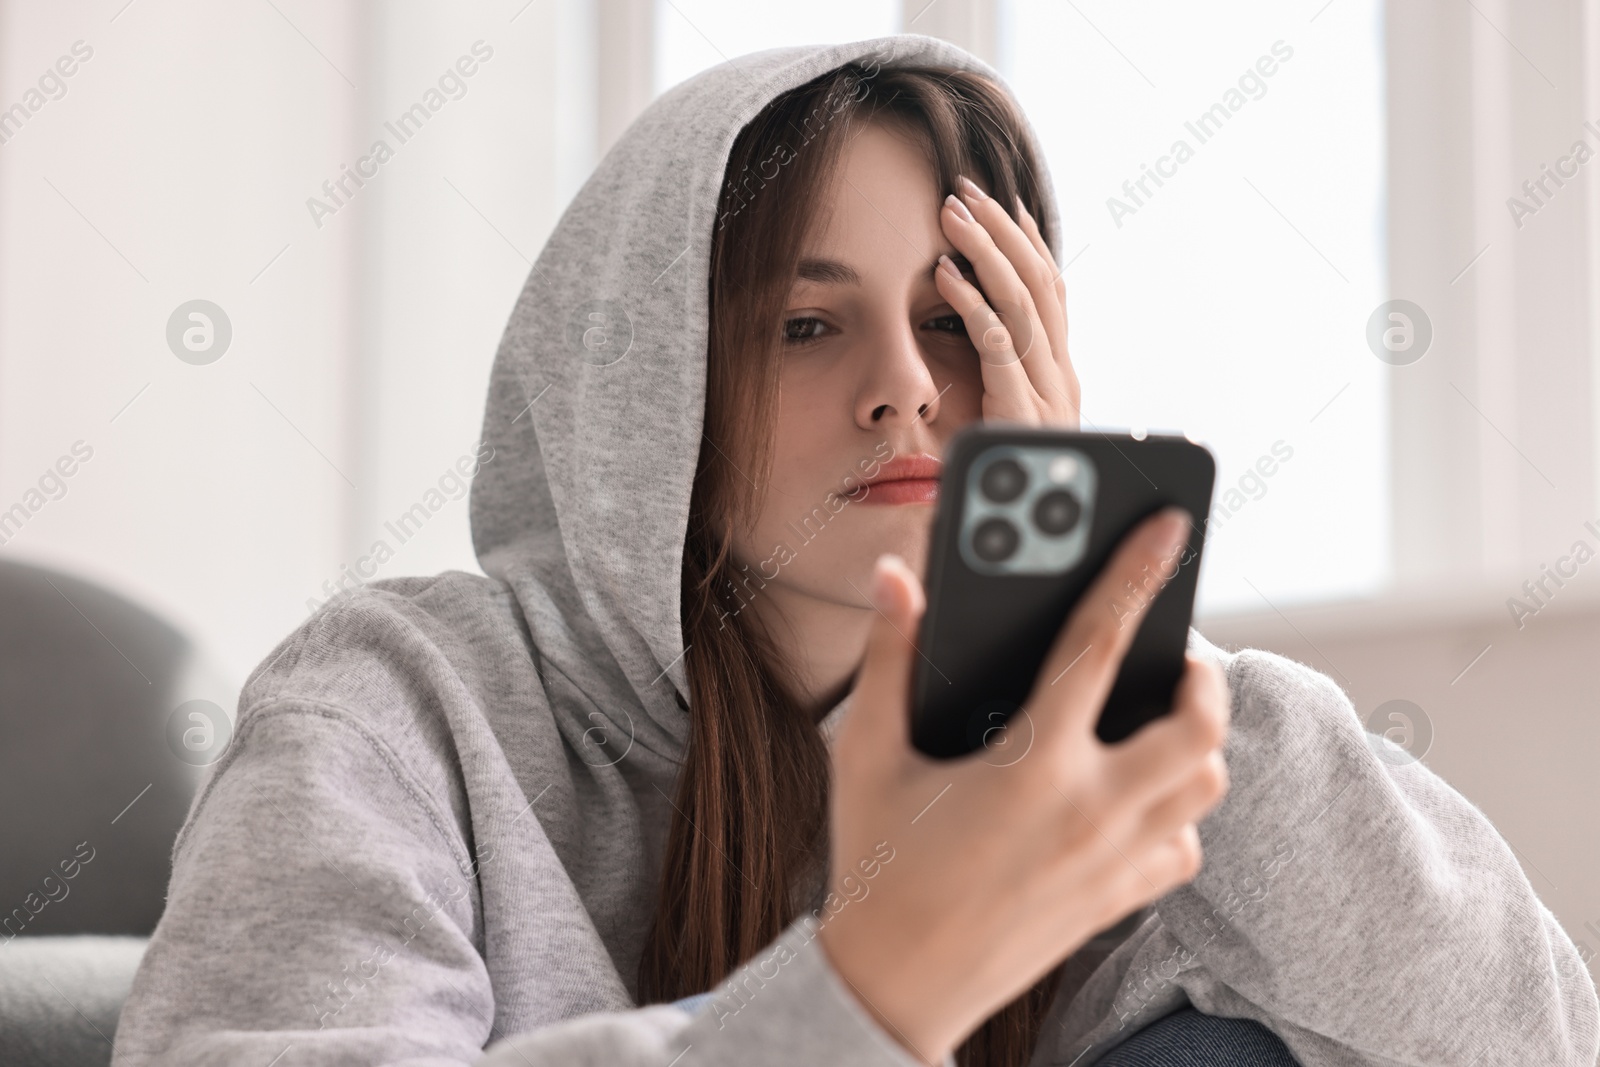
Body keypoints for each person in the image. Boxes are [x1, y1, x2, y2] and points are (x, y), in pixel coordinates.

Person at [110, 35, 1598, 1067]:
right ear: (649, 380)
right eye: (807, 325)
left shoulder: (1056, 764)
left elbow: (1522, 1038)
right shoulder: (399, 705)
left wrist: (1100, 630)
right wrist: (871, 989)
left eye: (955, 320)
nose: (907, 387)